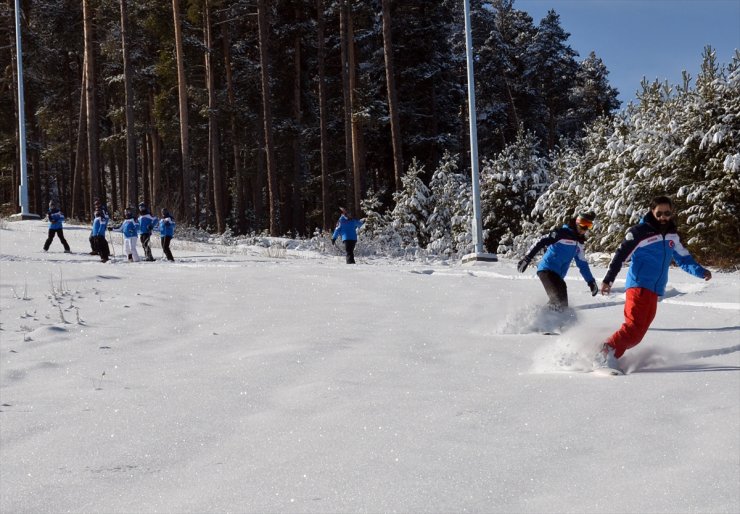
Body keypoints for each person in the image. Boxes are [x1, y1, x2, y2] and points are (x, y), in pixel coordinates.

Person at [597, 195, 712, 370]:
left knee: (638, 333)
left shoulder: (672, 234)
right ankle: (604, 355)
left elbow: (683, 258)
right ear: (652, 212)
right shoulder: (639, 232)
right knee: (633, 328)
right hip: (639, 286)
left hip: (655, 289)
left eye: (667, 213)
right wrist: (608, 279)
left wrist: (700, 271)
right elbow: (620, 255)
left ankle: (610, 353)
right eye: (659, 213)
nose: (663, 217)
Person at [517, 211, 599, 311]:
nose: (585, 229)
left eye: (589, 225)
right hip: (547, 270)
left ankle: (545, 320)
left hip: (559, 276)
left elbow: (582, 264)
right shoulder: (562, 233)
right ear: (577, 222)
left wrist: (591, 281)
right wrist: (527, 258)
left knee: (563, 306)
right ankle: (535, 319)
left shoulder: (579, 244)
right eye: (583, 224)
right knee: (557, 301)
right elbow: (541, 241)